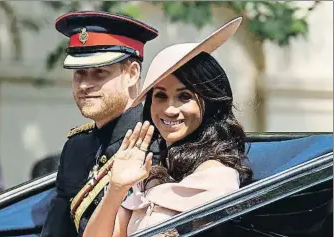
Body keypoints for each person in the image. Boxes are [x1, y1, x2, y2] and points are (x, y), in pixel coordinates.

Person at [82, 17, 254, 237]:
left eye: (184, 96)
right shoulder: (155, 169)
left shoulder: (215, 177)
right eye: (160, 96)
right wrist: (116, 189)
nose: (170, 109)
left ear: (210, 102)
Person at [40, 11, 160, 237]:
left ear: (132, 74)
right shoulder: (76, 147)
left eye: (99, 73)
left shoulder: (160, 140)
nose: (85, 84)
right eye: (79, 73)